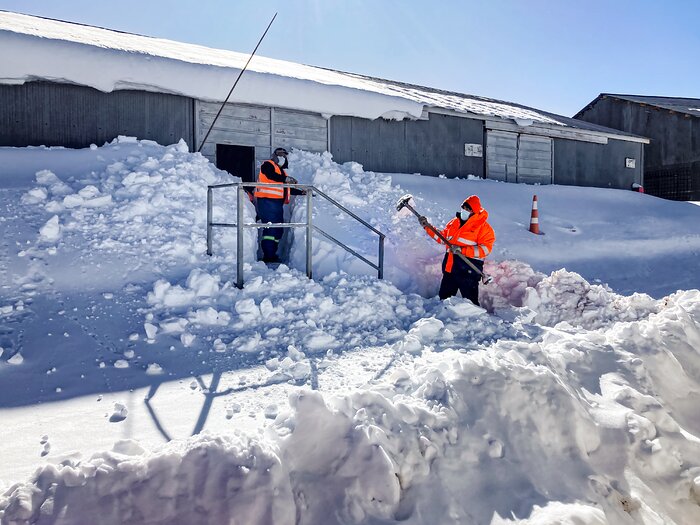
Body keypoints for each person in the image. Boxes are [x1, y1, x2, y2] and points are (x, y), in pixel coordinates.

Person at [418, 195, 495, 305]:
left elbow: (485, 249)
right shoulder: (454, 222)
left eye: (468, 209)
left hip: (469, 271)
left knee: (471, 304)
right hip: (450, 269)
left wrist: (462, 250)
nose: (464, 210)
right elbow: (443, 238)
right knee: (444, 301)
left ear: (474, 212)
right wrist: (428, 227)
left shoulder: (483, 227)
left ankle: (475, 321)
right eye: (463, 207)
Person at [254, 147, 305, 263]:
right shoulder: (268, 165)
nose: (282, 157)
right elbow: (270, 175)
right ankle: (268, 255)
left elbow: (284, 189)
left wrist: (300, 192)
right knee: (271, 229)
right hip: (267, 202)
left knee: (278, 230)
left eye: (284, 155)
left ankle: (272, 254)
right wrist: (286, 179)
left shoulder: (281, 171)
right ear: (274, 155)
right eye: (280, 154)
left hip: (276, 204)